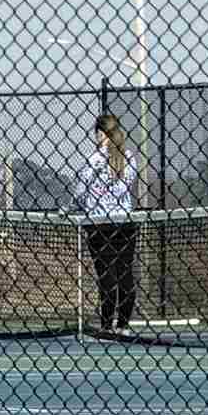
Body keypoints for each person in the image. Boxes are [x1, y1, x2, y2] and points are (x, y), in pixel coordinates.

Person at [76, 113, 140, 334]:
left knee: (106, 276)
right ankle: (122, 326)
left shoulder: (92, 160)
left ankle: (106, 326)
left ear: (100, 134)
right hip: (125, 224)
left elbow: (80, 193)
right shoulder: (129, 157)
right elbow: (123, 187)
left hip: (99, 226)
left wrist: (89, 204)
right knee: (125, 273)